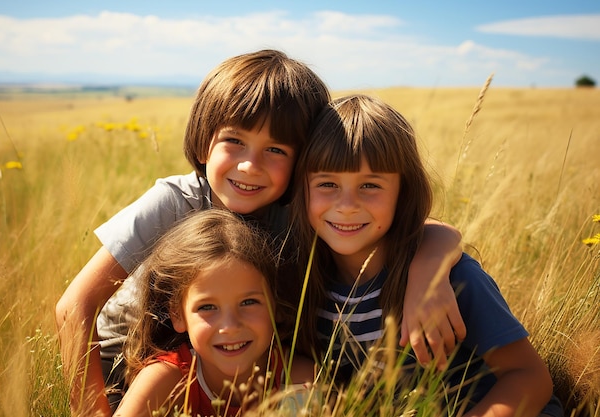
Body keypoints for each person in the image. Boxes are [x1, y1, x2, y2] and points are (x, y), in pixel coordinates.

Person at [55, 50, 464, 417]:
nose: (250, 166)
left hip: (236, 366)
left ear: (303, 162)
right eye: (234, 141)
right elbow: (75, 305)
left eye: (276, 150)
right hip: (124, 370)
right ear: (203, 145)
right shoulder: (175, 201)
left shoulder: (299, 209)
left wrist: (429, 266)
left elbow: (420, 228)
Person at [291, 94, 562, 416]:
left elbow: (529, 377)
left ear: (403, 193)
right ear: (301, 189)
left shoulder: (455, 278)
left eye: (370, 186)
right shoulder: (305, 280)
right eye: (327, 184)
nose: (347, 205)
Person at [114, 209, 314, 417]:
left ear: (276, 306)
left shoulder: (298, 380)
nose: (230, 326)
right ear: (178, 315)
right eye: (207, 307)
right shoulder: (165, 380)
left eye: (248, 302)